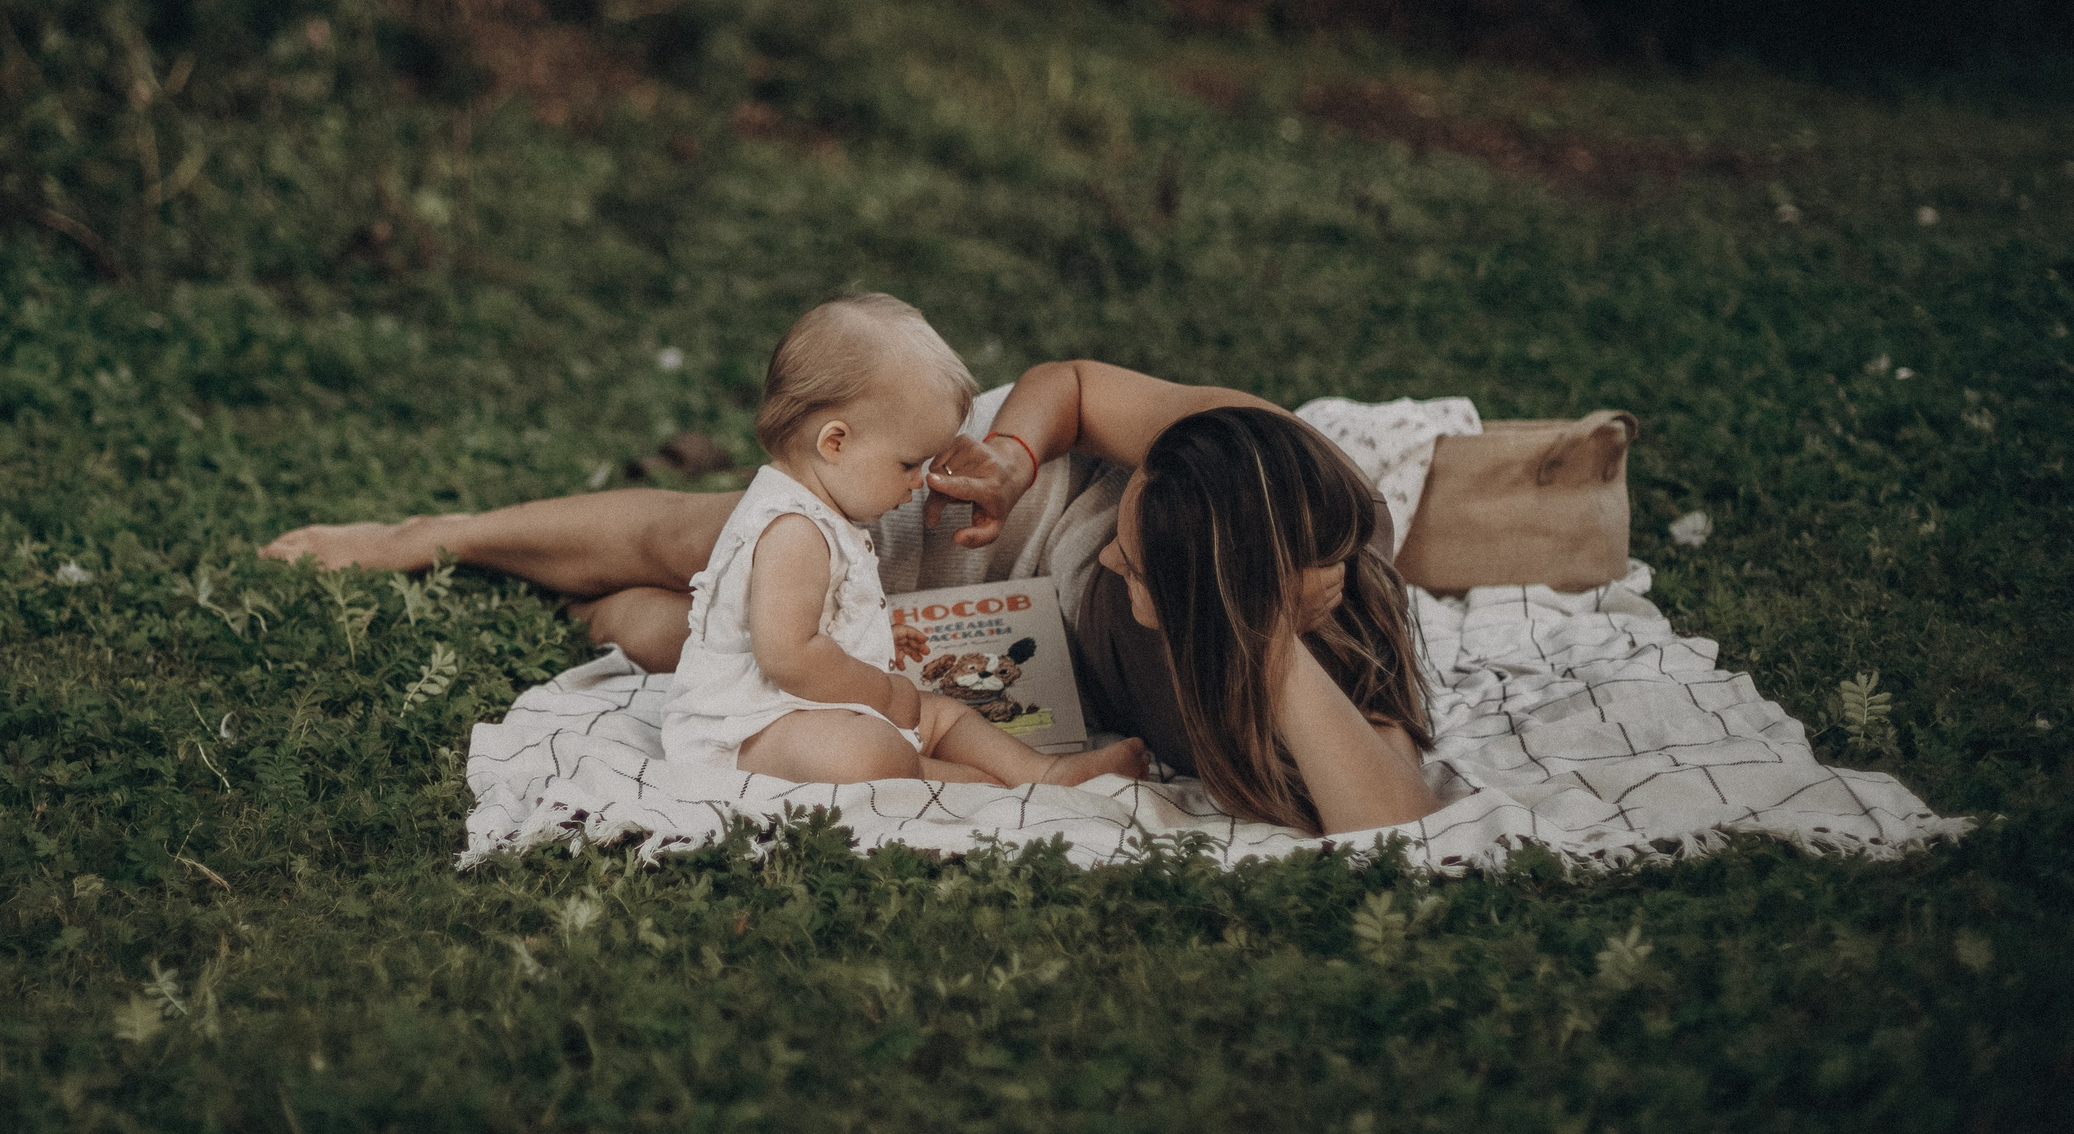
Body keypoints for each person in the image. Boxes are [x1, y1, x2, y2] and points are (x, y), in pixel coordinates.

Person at [264, 353, 1439, 834]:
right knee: (710, 540)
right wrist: (1015, 461)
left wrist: (1270, 643)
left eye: (1138, 571)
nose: (1117, 565)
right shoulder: (1240, 452)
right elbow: (1073, 387)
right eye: (1127, 545)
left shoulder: (1319, 650)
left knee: (673, 639)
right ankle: (439, 535)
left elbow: (1387, 817)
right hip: (999, 512)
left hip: (1002, 660)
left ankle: (574, 604)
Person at [659, 294, 1149, 789]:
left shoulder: (823, 513)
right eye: (907, 464)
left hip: (809, 705)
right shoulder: (794, 530)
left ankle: (1044, 772)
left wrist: (871, 637)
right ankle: (976, 785)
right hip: (750, 727)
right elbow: (788, 656)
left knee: (942, 713)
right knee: (872, 754)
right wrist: (882, 694)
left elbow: (812, 624)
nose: (919, 482)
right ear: (835, 442)